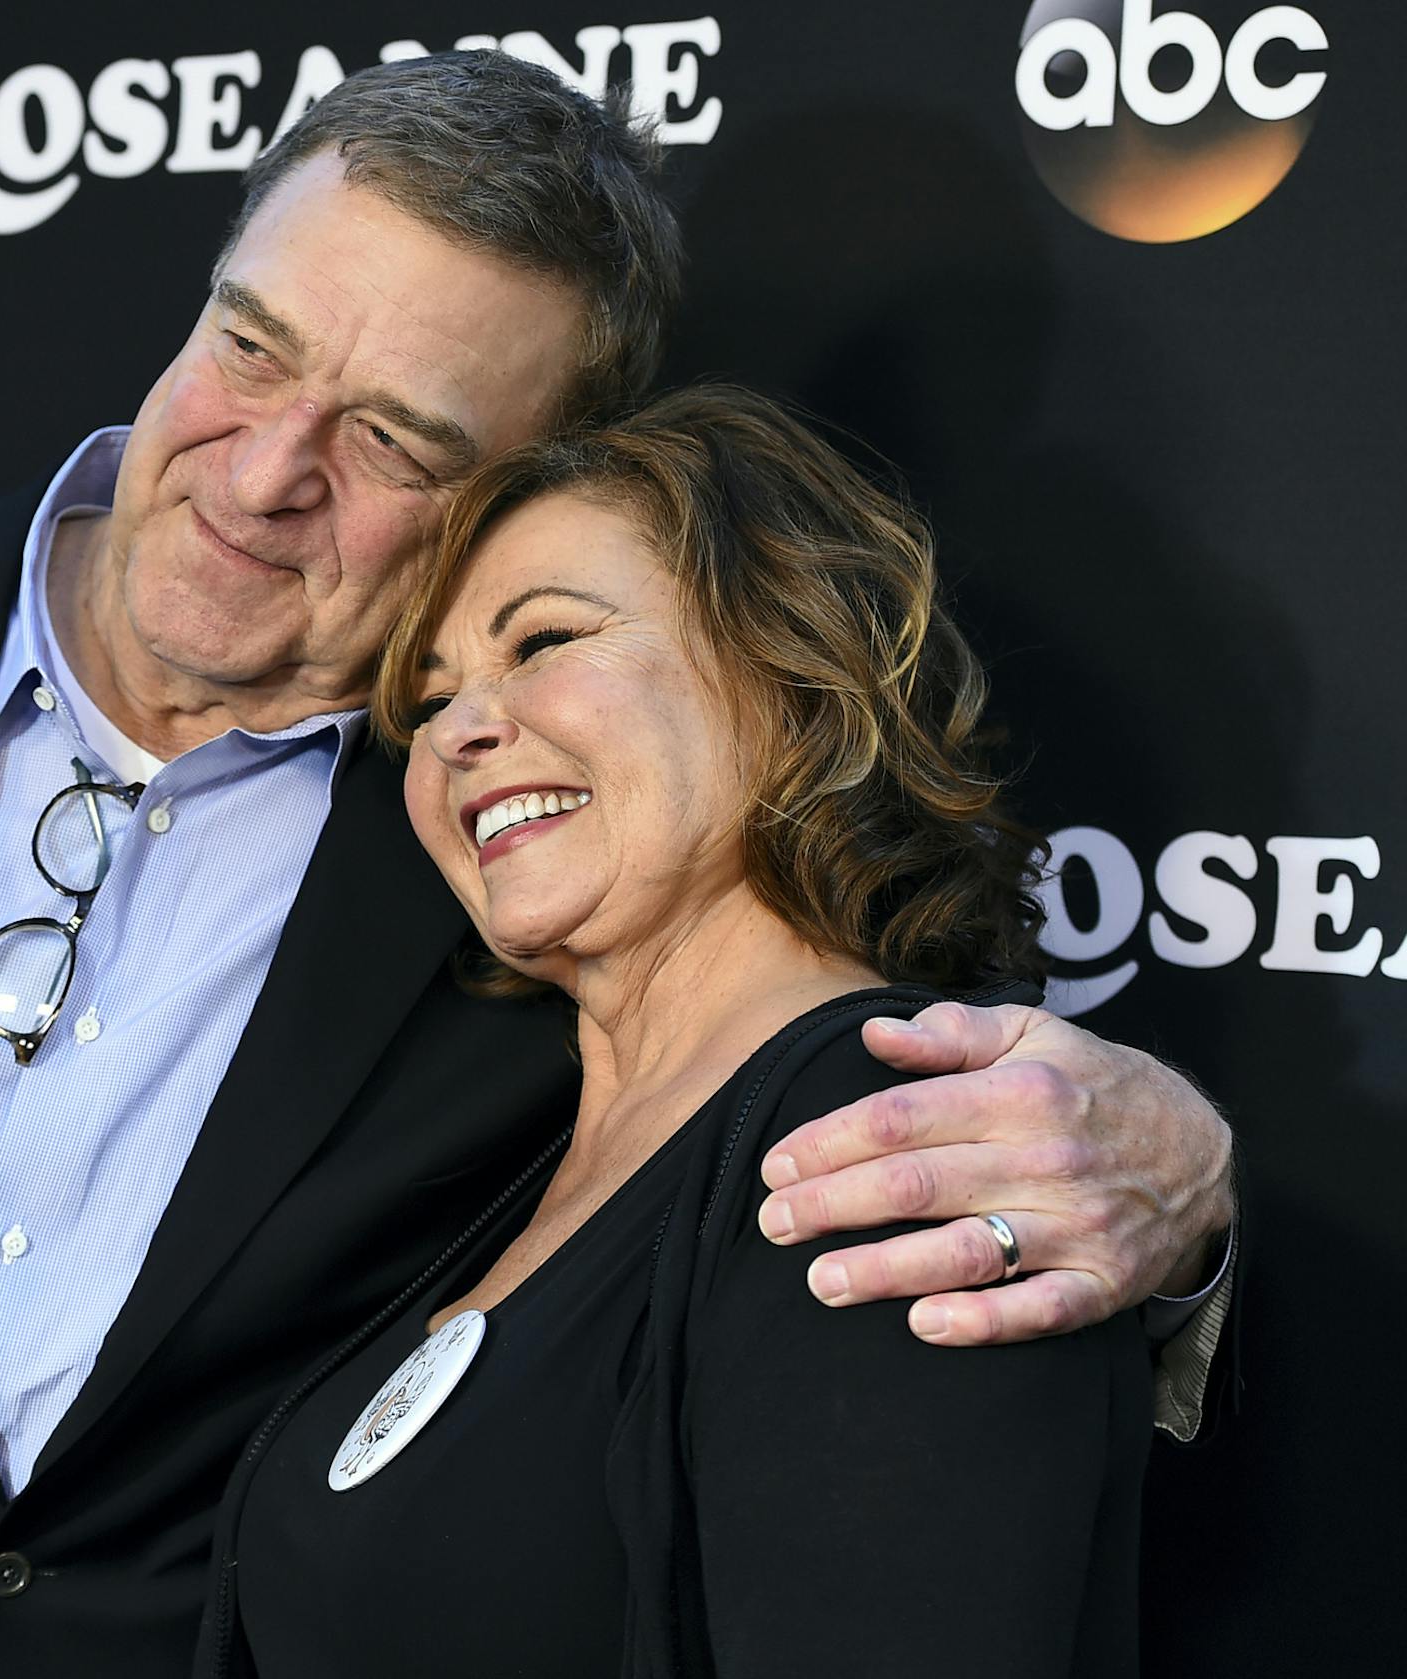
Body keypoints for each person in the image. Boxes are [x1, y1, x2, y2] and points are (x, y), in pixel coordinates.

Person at [0, 53, 1229, 1679]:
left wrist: (1184, 1179)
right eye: (251, 344)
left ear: (526, 491)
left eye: (398, 443)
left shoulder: (518, 854)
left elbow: (832, 1098)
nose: (266, 467)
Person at [201, 385, 1150, 1679]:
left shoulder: (895, 1157)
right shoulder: (536, 1171)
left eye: (541, 641)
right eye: (426, 698)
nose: (461, 731)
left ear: (788, 667)